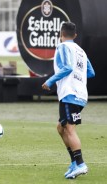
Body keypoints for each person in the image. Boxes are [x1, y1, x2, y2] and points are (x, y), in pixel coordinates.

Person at [42, 22, 95, 179]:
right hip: (81, 94)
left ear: (60, 34)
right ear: (75, 36)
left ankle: (81, 164)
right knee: (61, 127)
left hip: (69, 93)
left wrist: (50, 81)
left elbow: (67, 68)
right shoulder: (81, 51)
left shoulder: (63, 47)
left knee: (69, 129)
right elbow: (91, 72)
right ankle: (74, 163)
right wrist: (78, 79)